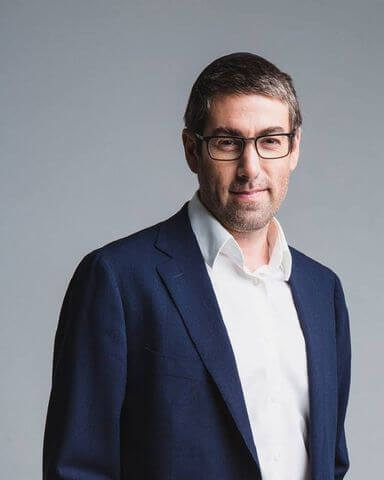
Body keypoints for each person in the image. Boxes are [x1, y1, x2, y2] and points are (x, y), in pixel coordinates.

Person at [43, 52, 352, 480]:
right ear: (192, 150)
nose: (250, 168)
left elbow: (330, 462)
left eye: (270, 141)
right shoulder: (118, 279)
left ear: (294, 148)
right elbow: (78, 468)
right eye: (227, 142)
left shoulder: (322, 291)